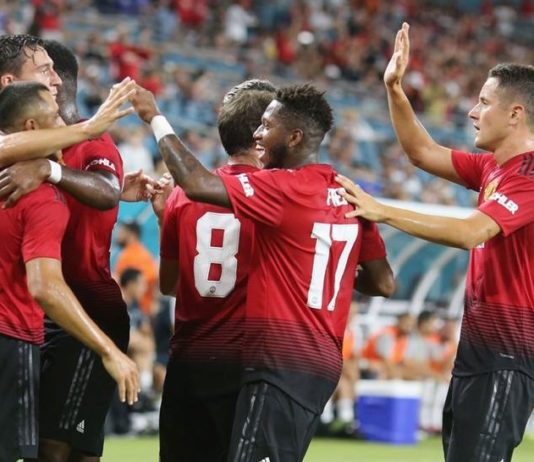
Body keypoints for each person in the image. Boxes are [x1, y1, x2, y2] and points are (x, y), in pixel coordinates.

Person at [133, 82, 396, 461]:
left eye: (267, 126)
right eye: (259, 125)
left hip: (217, 358)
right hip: (293, 360)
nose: (260, 133)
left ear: (292, 135)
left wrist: (154, 118)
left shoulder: (261, 190)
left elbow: (172, 283)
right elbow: (383, 282)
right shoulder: (345, 191)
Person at [337, 22, 534, 462]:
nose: (472, 112)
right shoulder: (493, 169)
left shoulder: (529, 176)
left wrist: (382, 210)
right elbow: (422, 152)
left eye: (484, 102)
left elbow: (470, 232)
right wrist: (394, 88)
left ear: (515, 114)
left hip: (507, 355)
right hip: (478, 354)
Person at [0, 37, 153, 462]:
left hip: (82, 308)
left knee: (60, 447)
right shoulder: (28, 155)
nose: (51, 79)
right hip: (34, 313)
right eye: (43, 70)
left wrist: (52, 169)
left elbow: (103, 190)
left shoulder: (83, 148)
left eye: (53, 71)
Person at [151, 79, 277, 462]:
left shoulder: (181, 196)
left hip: (188, 361)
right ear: (263, 136)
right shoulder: (279, 196)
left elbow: (170, 285)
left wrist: (165, 219)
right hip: (246, 363)